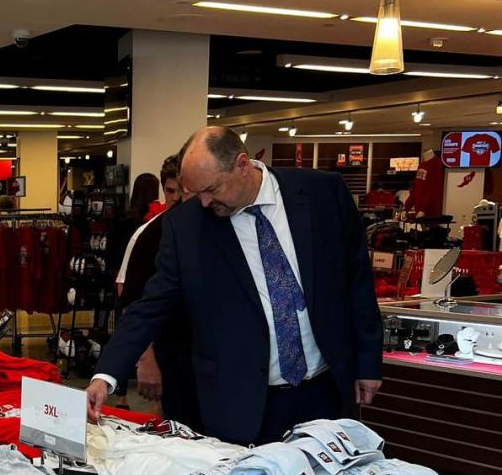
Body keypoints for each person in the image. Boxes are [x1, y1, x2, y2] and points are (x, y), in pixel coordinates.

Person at [89, 126, 383, 445]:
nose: (203, 202)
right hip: (244, 403)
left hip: (326, 389)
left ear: (242, 165)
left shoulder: (322, 193)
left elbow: (356, 278)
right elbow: (151, 307)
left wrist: (368, 362)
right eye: (194, 192)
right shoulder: (186, 226)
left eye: (211, 189)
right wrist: (106, 376)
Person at [114, 157, 189, 412]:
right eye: (171, 191)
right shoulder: (150, 234)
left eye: (184, 190)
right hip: (168, 351)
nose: (177, 198)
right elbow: (129, 297)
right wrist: (145, 359)